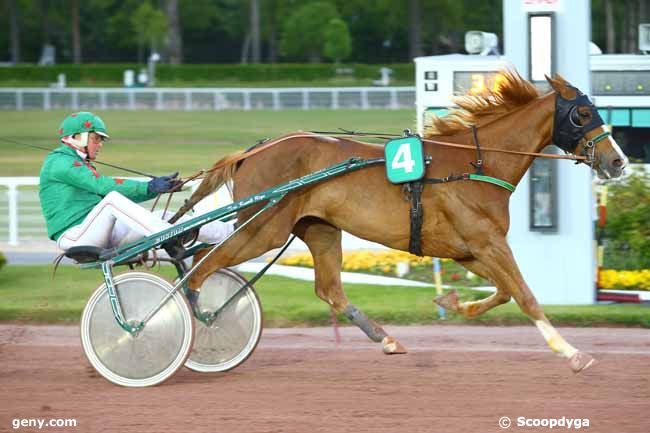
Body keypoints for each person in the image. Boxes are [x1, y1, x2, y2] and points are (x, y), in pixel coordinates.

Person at [39, 111, 233, 257]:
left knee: (164, 216)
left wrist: (159, 188)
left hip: (101, 232)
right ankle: (166, 236)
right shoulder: (59, 162)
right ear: (76, 137)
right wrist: (150, 187)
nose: (100, 144)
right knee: (111, 200)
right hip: (75, 237)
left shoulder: (79, 163)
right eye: (96, 138)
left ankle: (228, 234)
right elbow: (104, 187)